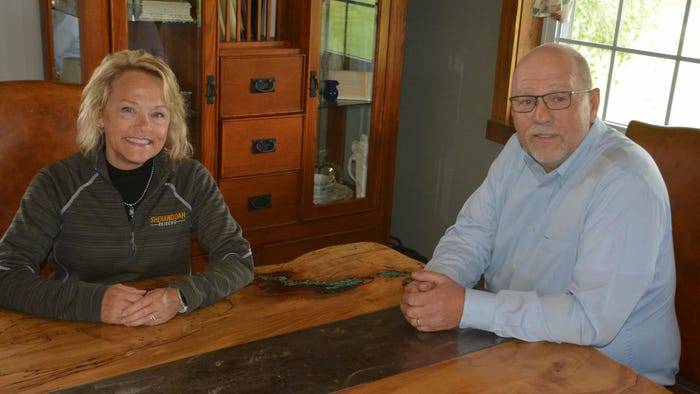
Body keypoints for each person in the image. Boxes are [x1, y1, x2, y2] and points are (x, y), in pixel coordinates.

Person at [400, 43, 680, 386]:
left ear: (591, 104)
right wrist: (439, 283)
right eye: (526, 101)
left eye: (559, 97)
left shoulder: (625, 181)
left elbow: (591, 320)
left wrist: (464, 308)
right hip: (521, 348)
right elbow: (472, 233)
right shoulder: (518, 150)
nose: (540, 115)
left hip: (617, 377)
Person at [0, 49, 254, 327]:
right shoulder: (57, 182)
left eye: (158, 114)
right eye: (128, 109)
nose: (144, 126)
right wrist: (92, 303)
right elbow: (6, 274)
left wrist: (181, 297)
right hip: (76, 332)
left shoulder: (190, 179)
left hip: (167, 329)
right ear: (100, 115)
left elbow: (237, 259)